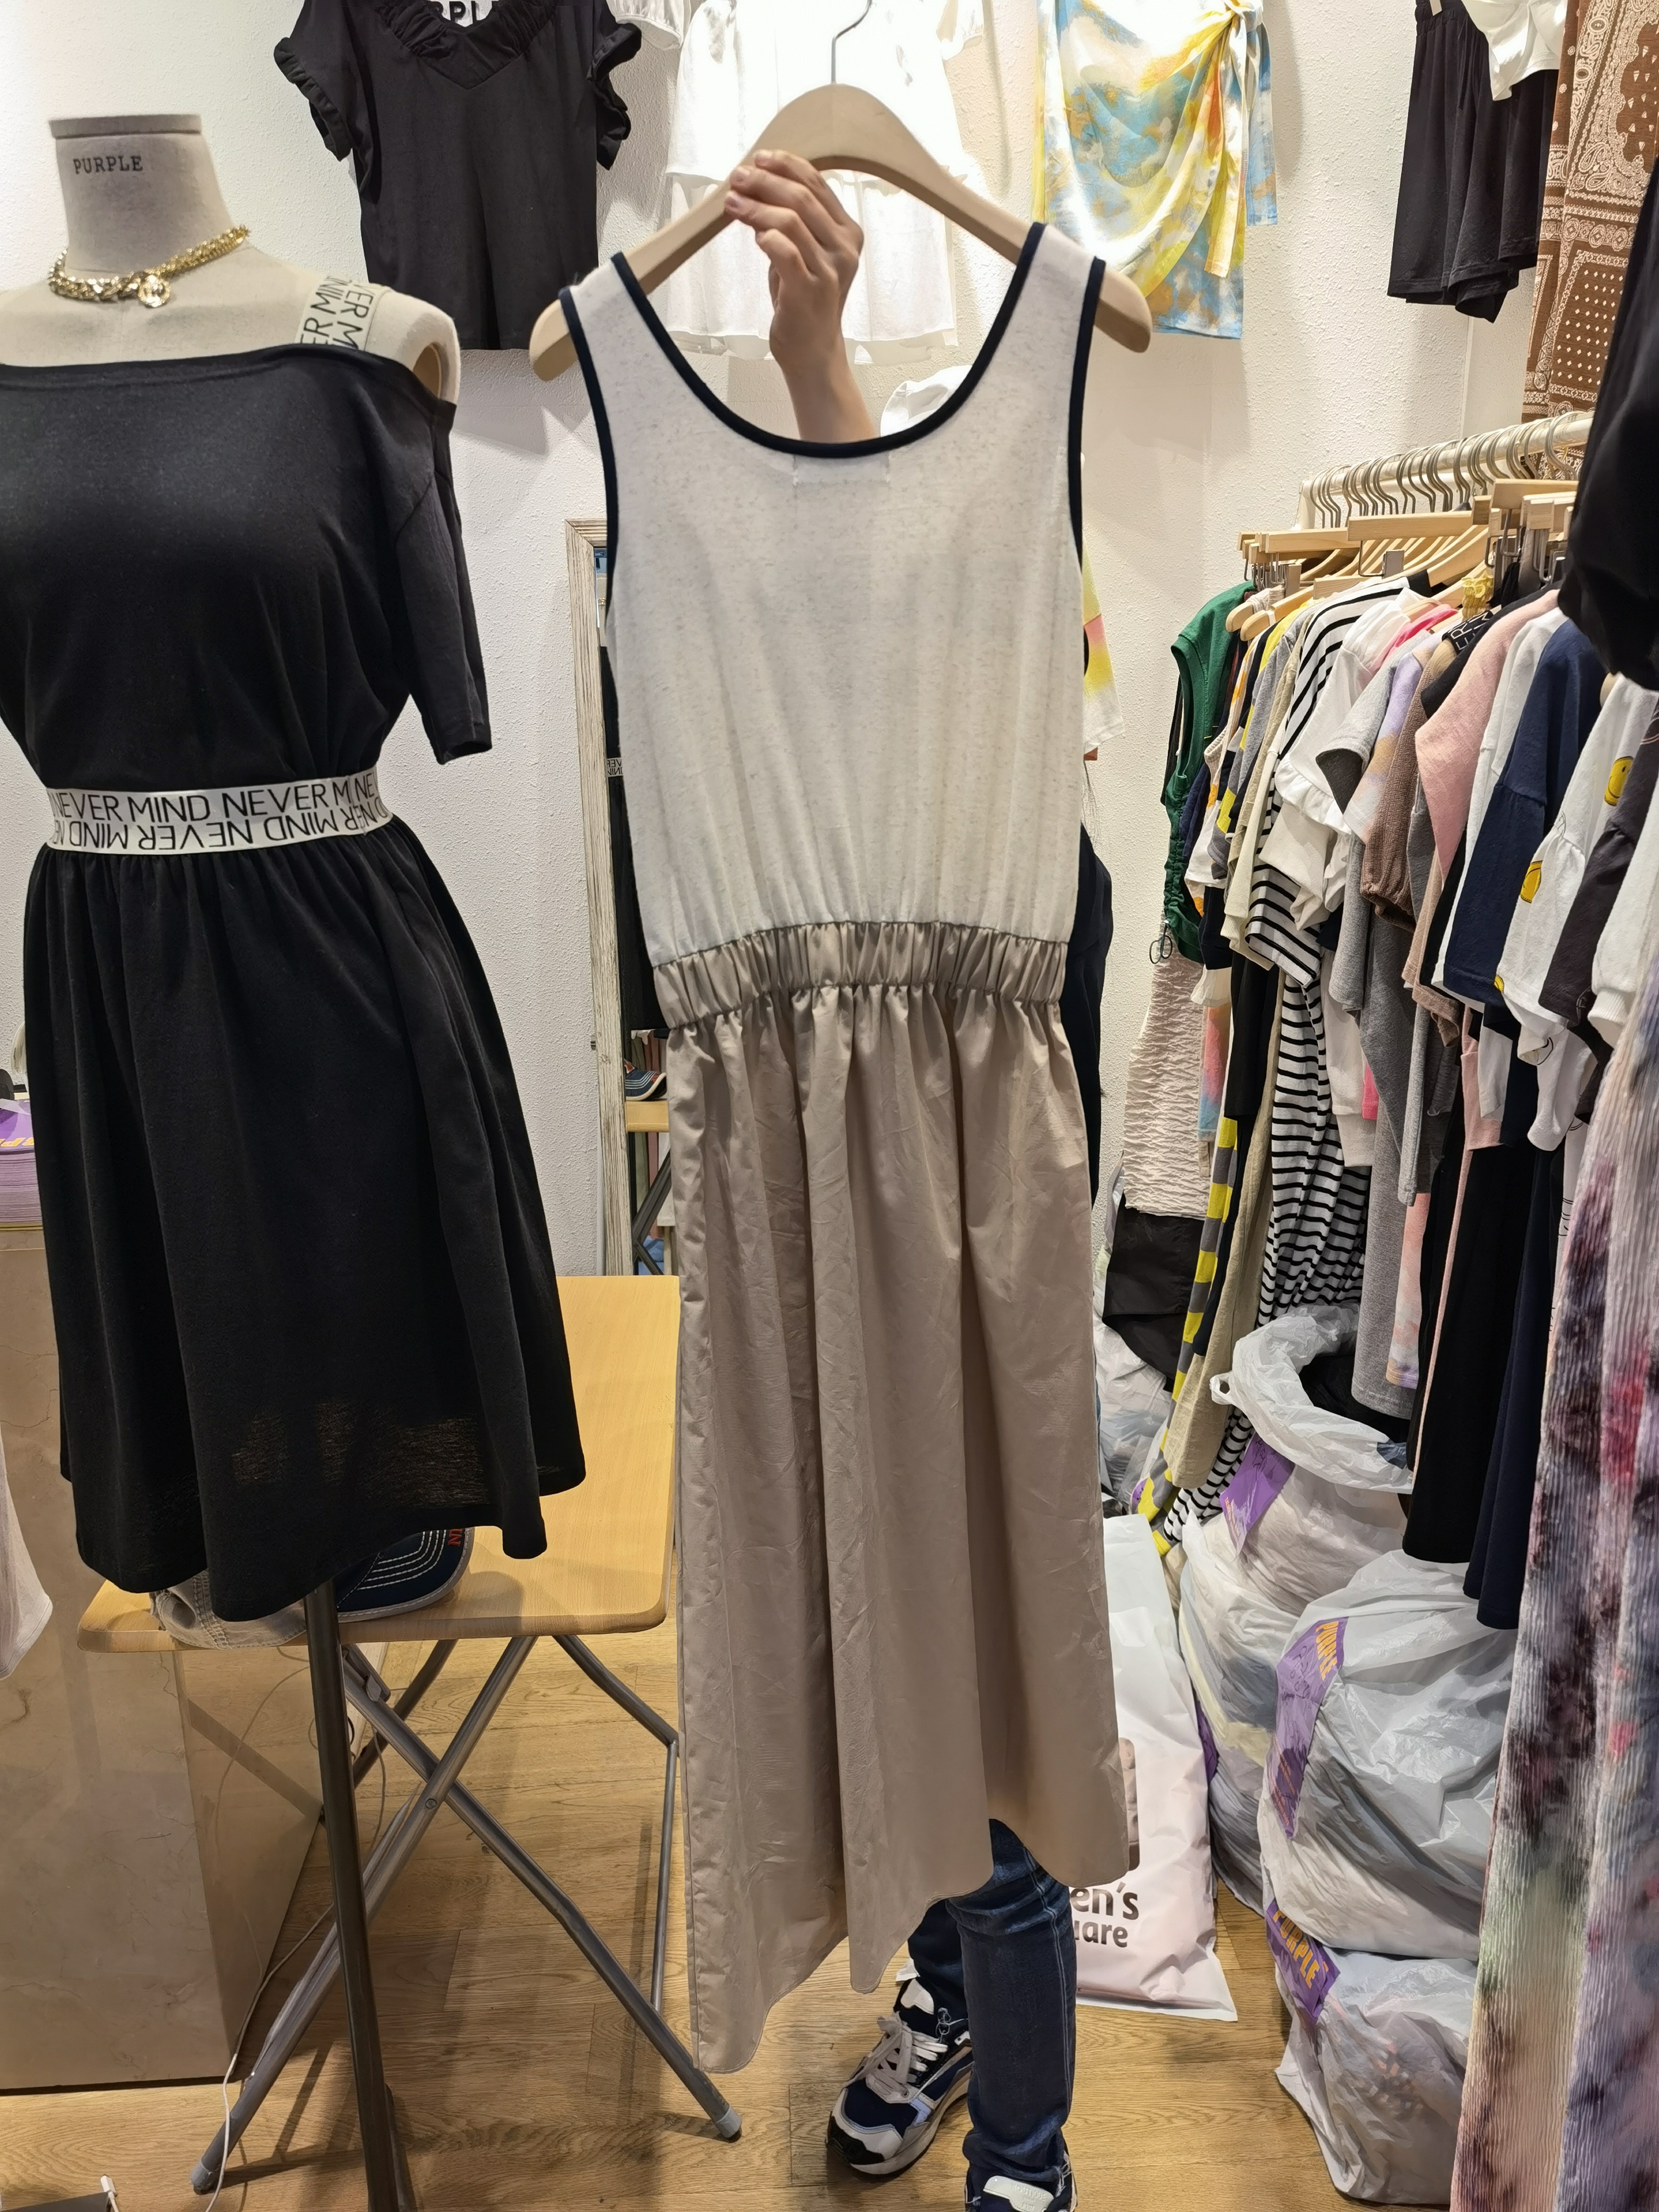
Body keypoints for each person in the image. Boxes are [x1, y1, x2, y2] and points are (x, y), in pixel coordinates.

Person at [721, 149, 1083, 2212]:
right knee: (876, 1671)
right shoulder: (825, 726)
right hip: (812, 1223)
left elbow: (895, 612)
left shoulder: (1007, 782)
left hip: (973, 1244)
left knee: (987, 1734)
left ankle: (1028, 2149)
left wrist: (823, 375)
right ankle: (944, 2002)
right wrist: (808, 356)